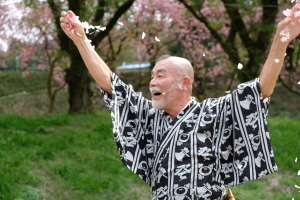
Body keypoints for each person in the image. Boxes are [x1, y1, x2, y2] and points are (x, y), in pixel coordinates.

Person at [60, 3, 300, 199]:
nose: (152, 81)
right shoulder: (149, 117)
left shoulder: (214, 112)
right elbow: (111, 84)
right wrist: (81, 40)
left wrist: (281, 39)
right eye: (152, 75)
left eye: (161, 75)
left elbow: (260, 90)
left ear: (184, 83)